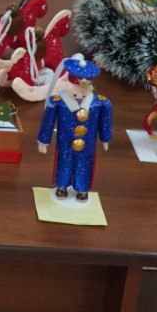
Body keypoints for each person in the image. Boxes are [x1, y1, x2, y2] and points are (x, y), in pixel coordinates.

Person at [36, 55, 113, 203]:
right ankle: (62, 186)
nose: (81, 88)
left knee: (85, 163)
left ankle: (82, 188)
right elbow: (48, 122)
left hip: (88, 144)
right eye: (78, 85)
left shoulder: (100, 103)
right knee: (64, 161)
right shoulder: (58, 102)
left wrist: (105, 138)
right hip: (65, 142)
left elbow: (105, 120)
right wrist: (43, 141)